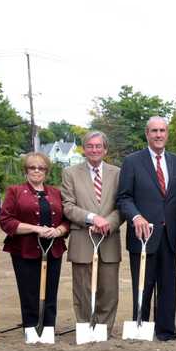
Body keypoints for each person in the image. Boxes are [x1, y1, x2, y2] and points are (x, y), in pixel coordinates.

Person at [116, 116, 176, 341]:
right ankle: (141, 328)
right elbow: (124, 198)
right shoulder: (132, 162)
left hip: (170, 236)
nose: (158, 135)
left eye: (162, 131)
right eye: (154, 131)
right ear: (146, 134)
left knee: (168, 286)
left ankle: (166, 330)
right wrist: (136, 216)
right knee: (143, 285)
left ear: (167, 134)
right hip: (143, 236)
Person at [0, 152, 69, 341]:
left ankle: (47, 329)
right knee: (29, 290)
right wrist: (35, 229)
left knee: (51, 290)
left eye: (41, 168)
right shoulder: (15, 191)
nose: (37, 171)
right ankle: (31, 328)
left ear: (47, 171)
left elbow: (66, 221)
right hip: (24, 249)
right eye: (32, 167)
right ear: (26, 170)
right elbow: (6, 221)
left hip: (53, 249)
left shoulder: (56, 192)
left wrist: (59, 231)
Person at [61, 131, 122, 334]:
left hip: (109, 239)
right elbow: (67, 206)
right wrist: (92, 218)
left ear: (105, 149)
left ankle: (104, 330)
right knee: (83, 291)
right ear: (83, 148)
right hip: (82, 239)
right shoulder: (70, 173)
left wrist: (108, 223)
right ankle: (86, 329)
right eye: (90, 146)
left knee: (109, 290)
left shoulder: (118, 173)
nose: (94, 150)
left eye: (98, 146)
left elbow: (123, 205)